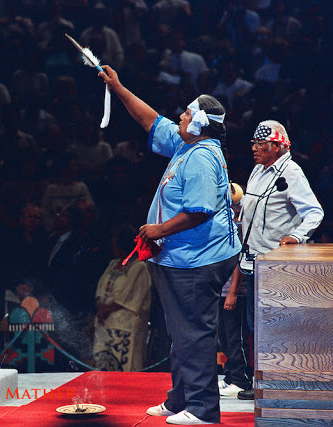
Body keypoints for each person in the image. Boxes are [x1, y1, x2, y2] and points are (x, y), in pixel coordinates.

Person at [98, 65, 242, 424]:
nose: (180, 115)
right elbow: (151, 120)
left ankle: (203, 409)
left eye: (188, 112)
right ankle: (180, 400)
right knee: (181, 333)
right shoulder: (186, 143)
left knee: (193, 334)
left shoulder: (205, 157)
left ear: (200, 123)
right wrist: (118, 87)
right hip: (182, 257)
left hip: (197, 260)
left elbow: (200, 211)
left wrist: (158, 230)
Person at [234, 120, 324, 400]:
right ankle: (261, 383)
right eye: (253, 143)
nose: (254, 148)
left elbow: (313, 212)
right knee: (256, 327)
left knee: (277, 327)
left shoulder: (291, 172)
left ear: (276, 145)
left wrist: (296, 236)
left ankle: (278, 384)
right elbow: (251, 208)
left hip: (277, 268)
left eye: (260, 144)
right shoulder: (258, 170)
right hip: (253, 262)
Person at [93, 225, 151, 372]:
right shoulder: (113, 264)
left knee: (125, 366)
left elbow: (132, 298)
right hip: (104, 323)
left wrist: (107, 309)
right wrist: (100, 306)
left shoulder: (139, 267)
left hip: (126, 325)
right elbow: (100, 287)